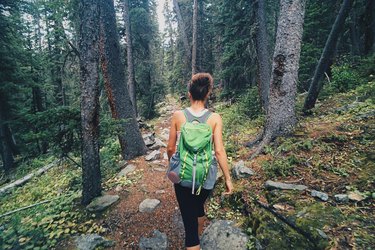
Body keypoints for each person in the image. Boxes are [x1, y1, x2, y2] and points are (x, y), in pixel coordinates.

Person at [167, 73, 233, 250]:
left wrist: (173, 165)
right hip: (206, 177)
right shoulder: (215, 118)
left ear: (189, 93)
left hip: (182, 176)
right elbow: (218, 151)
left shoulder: (178, 116)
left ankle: (194, 240)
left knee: (189, 229)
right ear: (207, 94)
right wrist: (227, 178)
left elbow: (170, 148)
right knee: (198, 207)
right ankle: (199, 234)